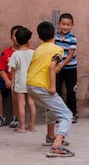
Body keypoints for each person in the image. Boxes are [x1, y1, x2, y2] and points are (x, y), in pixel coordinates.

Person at [27, 21, 74, 157]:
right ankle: (57, 147)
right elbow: (51, 66)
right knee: (66, 115)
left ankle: (50, 136)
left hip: (30, 85)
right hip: (42, 86)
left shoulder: (38, 49)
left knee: (52, 108)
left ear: (40, 36)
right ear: (55, 32)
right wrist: (53, 87)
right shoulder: (57, 49)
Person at [0, 25, 23, 128]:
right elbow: (1, 69)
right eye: (15, 35)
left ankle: (15, 117)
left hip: (20, 79)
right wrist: (6, 80)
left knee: (14, 88)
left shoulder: (27, 51)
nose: (17, 38)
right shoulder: (6, 52)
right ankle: (1, 117)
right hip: (8, 78)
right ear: (11, 37)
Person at [8, 27, 36, 133]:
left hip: (20, 81)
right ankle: (32, 125)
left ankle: (22, 127)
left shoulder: (15, 54)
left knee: (21, 103)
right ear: (29, 40)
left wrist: (12, 82)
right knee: (32, 103)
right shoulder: (33, 53)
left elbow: (13, 70)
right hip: (32, 81)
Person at [55, 13, 78, 123]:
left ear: (72, 25)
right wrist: (56, 65)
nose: (65, 27)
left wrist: (61, 65)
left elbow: (70, 55)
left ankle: (72, 113)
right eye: (63, 24)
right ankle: (60, 114)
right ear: (59, 24)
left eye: (68, 24)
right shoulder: (55, 37)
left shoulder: (72, 39)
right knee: (56, 90)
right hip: (58, 69)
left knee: (71, 91)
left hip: (70, 68)